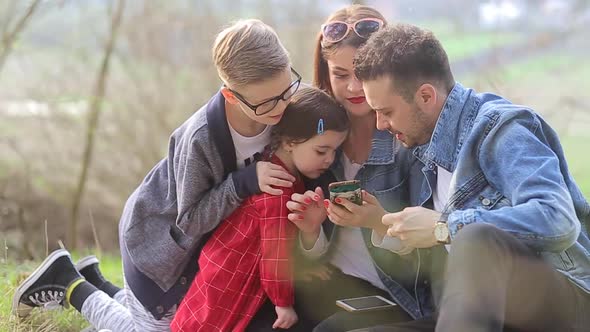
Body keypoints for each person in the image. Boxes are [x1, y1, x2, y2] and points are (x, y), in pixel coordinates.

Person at [12, 19, 302, 332]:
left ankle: (97, 281)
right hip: (158, 247)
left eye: (287, 90)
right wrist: (243, 183)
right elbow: (190, 220)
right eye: (267, 103)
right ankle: (68, 282)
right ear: (231, 96)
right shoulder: (200, 139)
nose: (283, 105)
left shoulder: (286, 107)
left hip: (203, 256)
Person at [347, 23, 590, 332]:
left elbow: (557, 219)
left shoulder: (500, 130)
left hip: (564, 301)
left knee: (477, 236)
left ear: (425, 96)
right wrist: (381, 222)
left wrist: (443, 227)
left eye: (387, 112)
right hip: (476, 311)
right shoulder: (421, 147)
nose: (380, 125)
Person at [286, 5, 424, 332]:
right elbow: (317, 251)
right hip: (334, 286)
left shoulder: (407, 144)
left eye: (364, 74)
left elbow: (428, 257)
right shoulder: (319, 142)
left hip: (395, 296)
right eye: (341, 75)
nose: (353, 88)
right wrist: (309, 232)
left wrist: (378, 221)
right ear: (326, 73)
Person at [171, 86, 350, 332]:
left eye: (335, 151)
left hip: (233, 273)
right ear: (289, 142)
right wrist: (283, 303)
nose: (330, 160)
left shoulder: (281, 171)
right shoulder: (278, 189)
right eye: (322, 150)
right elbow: (274, 256)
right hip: (229, 280)